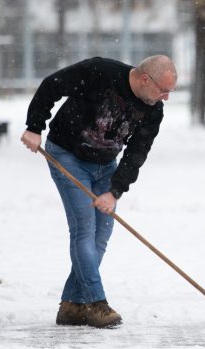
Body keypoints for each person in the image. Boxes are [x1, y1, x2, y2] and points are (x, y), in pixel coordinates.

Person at [21, 55, 177, 329]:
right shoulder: (100, 72)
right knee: (84, 228)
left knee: (101, 235)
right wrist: (34, 127)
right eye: (163, 90)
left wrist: (115, 191)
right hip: (67, 156)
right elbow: (51, 85)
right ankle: (96, 303)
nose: (165, 97)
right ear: (144, 79)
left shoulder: (153, 111)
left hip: (106, 165)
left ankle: (71, 305)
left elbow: (137, 153)